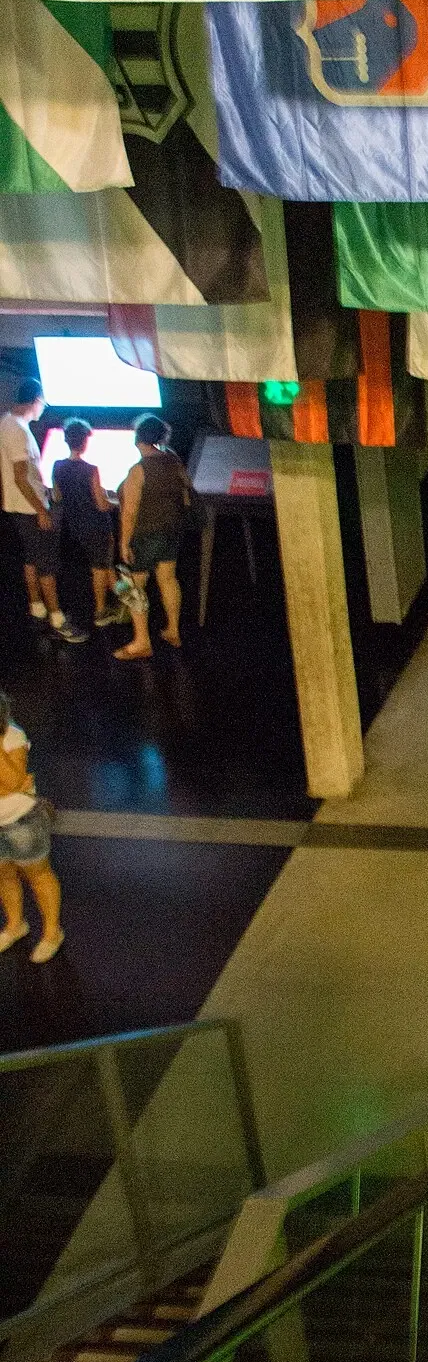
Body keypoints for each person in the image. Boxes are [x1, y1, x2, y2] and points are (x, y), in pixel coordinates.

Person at [0, 379, 87, 644]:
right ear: (36, 400)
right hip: (29, 507)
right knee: (47, 563)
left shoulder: (7, 422)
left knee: (31, 558)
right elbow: (20, 477)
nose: (43, 409)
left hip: (17, 506)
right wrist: (41, 510)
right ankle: (57, 619)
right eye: (43, 404)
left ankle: (36, 607)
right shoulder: (17, 429)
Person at [116, 414, 191, 660]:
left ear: (139, 439)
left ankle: (141, 642)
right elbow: (187, 495)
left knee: (134, 585)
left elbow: (129, 511)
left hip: (146, 534)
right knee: (168, 579)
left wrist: (124, 542)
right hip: (172, 531)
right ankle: (173, 630)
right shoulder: (174, 462)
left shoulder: (138, 470)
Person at [0, 689, 64, 962]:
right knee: (3, 875)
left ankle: (52, 933)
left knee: (37, 875)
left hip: (21, 821)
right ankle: (15, 925)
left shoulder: (13, 736)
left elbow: (13, 782)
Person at [52, 420, 121, 629]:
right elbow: (100, 504)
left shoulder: (58, 466)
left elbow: (56, 496)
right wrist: (116, 503)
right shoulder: (91, 469)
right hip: (97, 526)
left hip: (75, 526)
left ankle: (123, 602)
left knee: (105, 565)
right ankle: (101, 611)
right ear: (84, 442)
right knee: (101, 566)